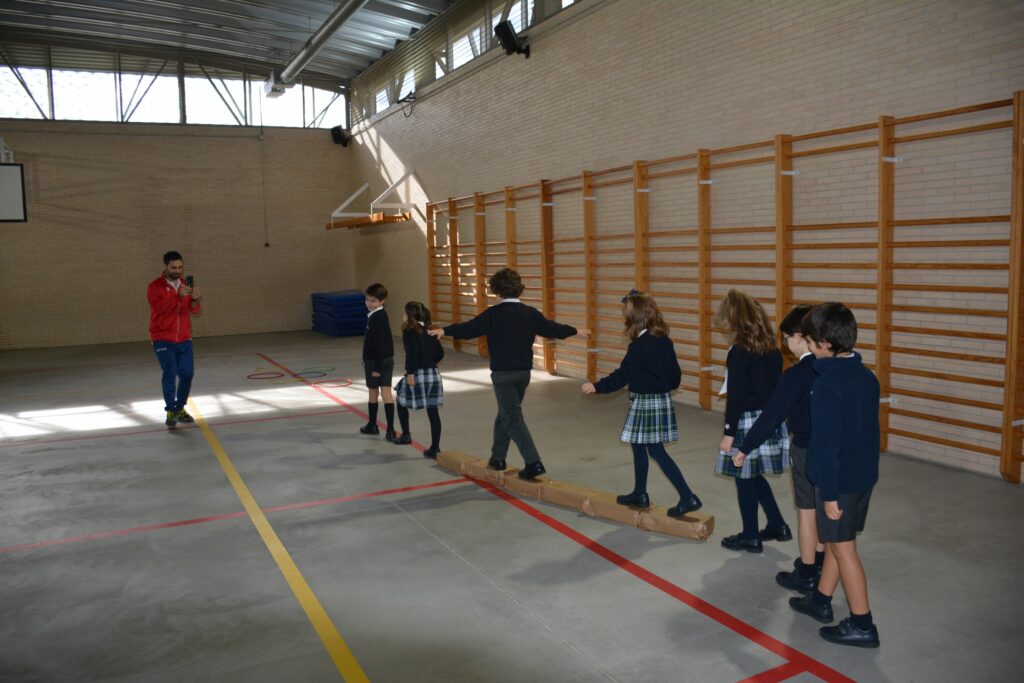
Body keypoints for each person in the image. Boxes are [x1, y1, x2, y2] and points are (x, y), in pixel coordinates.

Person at [429, 268, 588, 480]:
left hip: (503, 376)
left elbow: (469, 329)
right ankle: (498, 458)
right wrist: (575, 330)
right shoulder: (530, 313)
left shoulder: (493, 315)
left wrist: (445, 330)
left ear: (496, 291)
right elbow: (552, 328)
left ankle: (533, 462)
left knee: (512, 417)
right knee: (506, 413)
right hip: (523, 375)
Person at [788, 302, 881, 648]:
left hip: (837, 484)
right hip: (861, 478)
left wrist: (828, 494)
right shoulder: (867, 377)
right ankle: (821, 599)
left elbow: (826, 446)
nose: (808, 347)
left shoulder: (826, 385)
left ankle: (862, 623)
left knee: (843, 551)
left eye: (811, 342)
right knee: (836, 544)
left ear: (826, 344)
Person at [582, 290, 701, 517]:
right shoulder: (664, 341)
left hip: (646, 403)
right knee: (638, 445)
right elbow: (675, 375)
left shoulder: (639, 346)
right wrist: (665, 386)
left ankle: (688, 497)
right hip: (659, 400)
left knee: (656, 451)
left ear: (634, 318)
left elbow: (622, 375)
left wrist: (597, 387)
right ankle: (640, 493)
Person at [733, 304, 825, 588]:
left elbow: (771, 416)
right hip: (833, 449)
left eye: (786, 339)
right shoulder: (833, 368)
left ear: (800, 337)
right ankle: (820, 562)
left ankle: (807, 572)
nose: (785, 345)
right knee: (825, 511)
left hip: (807, 449)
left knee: (807, 513)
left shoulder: (796, 375)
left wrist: (745, 447)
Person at [714, 289, 790, 553]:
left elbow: (736, 398)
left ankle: (750, 536)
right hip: (768, 419)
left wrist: (728, 432)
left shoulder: (739, 352)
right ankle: (777, 524)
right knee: (753, 474)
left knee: (743, 478)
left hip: (746, 422)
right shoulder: (773, 350)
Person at [147, 250, 202, 428]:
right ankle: (171, 410)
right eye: (173, 267)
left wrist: (195, 300)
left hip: (184, 339)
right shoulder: (155, 286)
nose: (177, 271)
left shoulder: (185, 284)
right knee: (170, 373)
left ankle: (180, 408)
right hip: (163, 338)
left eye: (180, 267)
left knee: (187, 374)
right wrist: (178, 297)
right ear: (165, 267)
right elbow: (159, 309)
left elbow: (194, 310)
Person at [393, 301, 445, 458]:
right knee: (433, 411)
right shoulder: (430, 330)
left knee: (400, 399)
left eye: (404, 312)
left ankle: (406, 435)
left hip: (417, 373)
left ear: (409, 315)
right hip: (434, 374)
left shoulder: (409, 331)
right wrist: (429, 362)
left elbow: (412, 353)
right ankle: (435, 448)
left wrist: (410, 373)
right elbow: (440, 353)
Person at [360, 282, 397, 440]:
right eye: (367, 299)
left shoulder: (377, 317)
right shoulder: (379, 315)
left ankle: (373, 425)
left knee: (373, 392)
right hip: (386, 359)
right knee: (386, 392)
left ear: (382, 301)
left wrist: (376, 367)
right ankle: (389, 430)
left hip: (377, 361)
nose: (369, 303)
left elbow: (380, 344)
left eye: (373, 301)